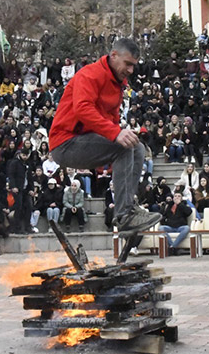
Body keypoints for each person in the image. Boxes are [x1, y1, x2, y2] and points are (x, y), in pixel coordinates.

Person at [49, 38, 161, 243]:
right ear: (113, 55)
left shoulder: (117, 84)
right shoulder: (90, 74)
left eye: (134, 66)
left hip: (85, 140)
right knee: (124, 146)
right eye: (127, 64)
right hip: (65, 143)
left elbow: (111, 119)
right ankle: (125, 215)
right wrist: (115, 134)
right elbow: (82, 108)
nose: (130, 70)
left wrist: (122, 132)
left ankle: (128, 211)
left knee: (136, 147)